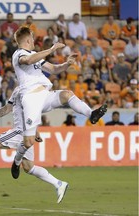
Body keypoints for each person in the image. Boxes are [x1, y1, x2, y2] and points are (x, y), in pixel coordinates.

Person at [10, 27, 107, 183]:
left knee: (67, 94)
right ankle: (16, 161)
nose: (34, 41)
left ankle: (91, 114)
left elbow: (54, 69)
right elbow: (27, 61)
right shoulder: (19, 54)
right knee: (28, 142)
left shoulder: (36, 57)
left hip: (45, 95)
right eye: (32, 39)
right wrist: (52, 49)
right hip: (30, 99)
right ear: (28, 40)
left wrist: (66, 64)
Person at [0, 87, 68, 204]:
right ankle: (59, 183)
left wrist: (35, 130)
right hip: (28, 132)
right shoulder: (18, 90)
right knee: (29, 167)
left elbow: (33, 111)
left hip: (20, 131)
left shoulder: (32, 90)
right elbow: (8, 108)